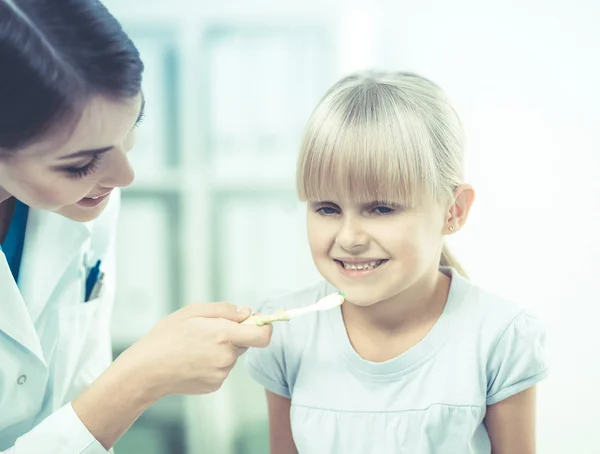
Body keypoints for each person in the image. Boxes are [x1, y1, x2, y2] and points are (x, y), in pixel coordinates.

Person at [0, 1, 272, 452]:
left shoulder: (86, 201)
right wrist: (140, 379)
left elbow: (69, 409)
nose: (126, 176)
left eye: (133, 125)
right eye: (82, 164)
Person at [246, 71, 548, 453]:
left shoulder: (500, 337)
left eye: (382, 208)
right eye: (327, 208)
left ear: (452, 211)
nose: (349, 237)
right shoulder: (287, 333)